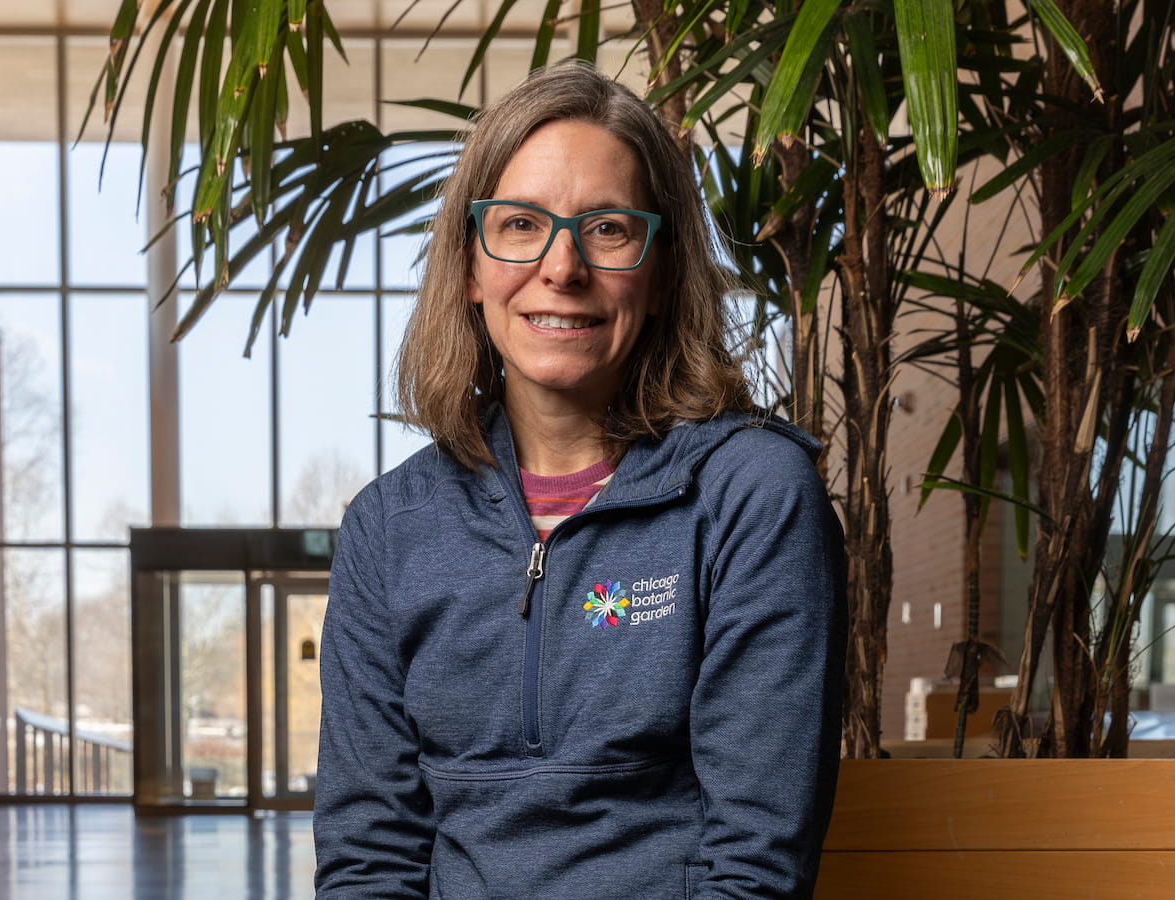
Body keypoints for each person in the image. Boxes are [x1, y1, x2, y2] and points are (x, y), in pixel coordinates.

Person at [313, 62, 846, 900]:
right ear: (470, 267)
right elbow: (369, 860)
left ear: (663, 272)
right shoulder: (388, 528)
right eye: (521, 224)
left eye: (607, 229)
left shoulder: (753, 495)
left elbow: (756, 866)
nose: (561, 267)